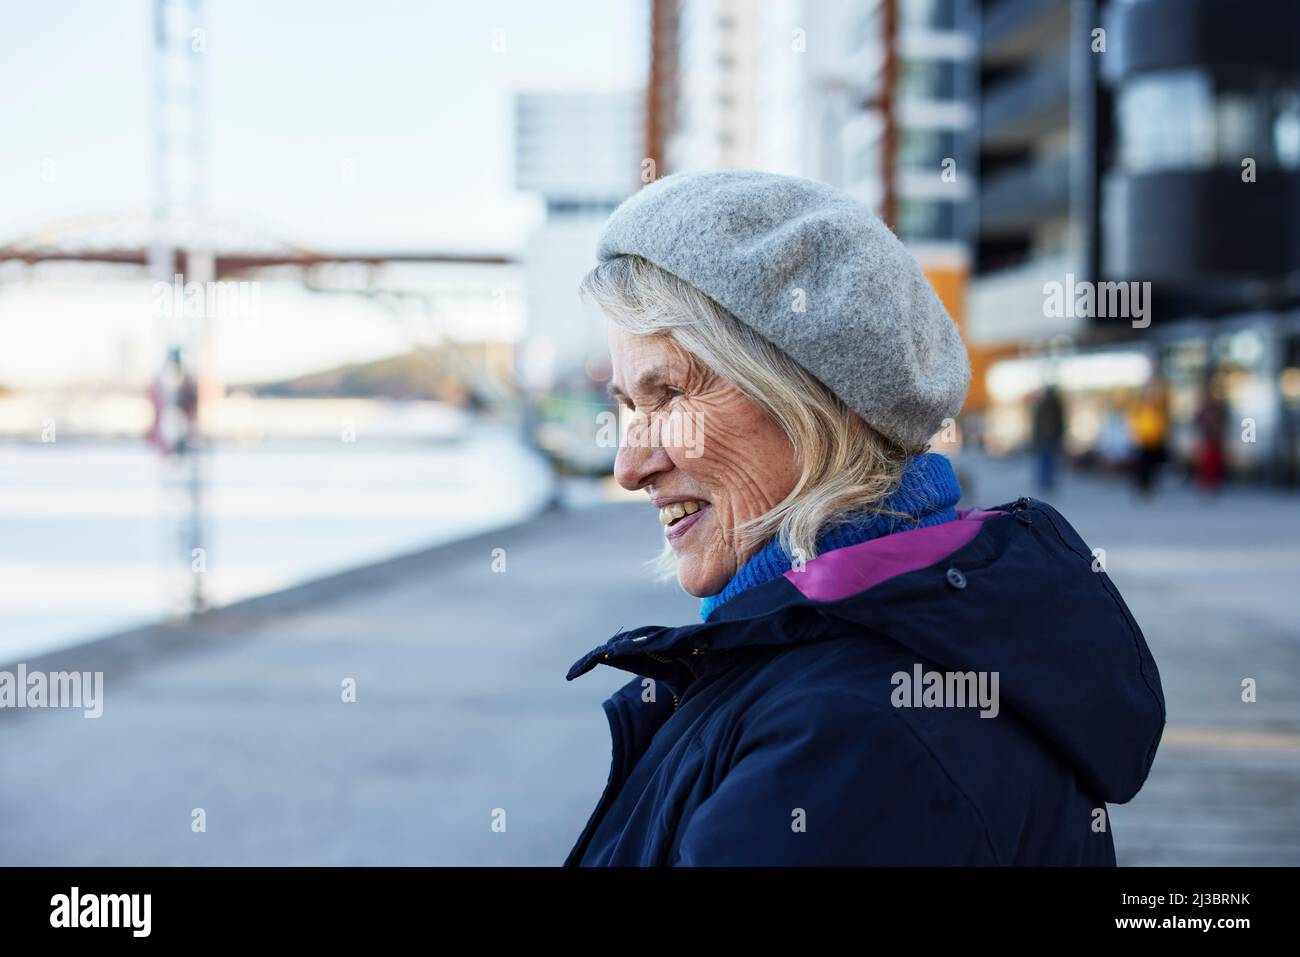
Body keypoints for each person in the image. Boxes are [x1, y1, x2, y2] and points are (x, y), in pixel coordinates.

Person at [563, 171, 1165, 866]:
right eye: (626, 407)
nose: (629, 466)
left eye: (667, 393)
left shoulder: (852, 739)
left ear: (818, 400)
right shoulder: (851, 660)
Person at [1128, 380, 1169, 496]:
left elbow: (1162, 423)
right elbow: (1134, 422)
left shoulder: (1158, 407)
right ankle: (1143, 487)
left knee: (1153, 466)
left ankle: (1150, 486)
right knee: (1143, 466)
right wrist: (1135, 435)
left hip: (1155, 440)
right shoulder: (1139, 408)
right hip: (1143, 440)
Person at [1030, 384, 1066, 491]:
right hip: (1050, 438)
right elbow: (1060, 423)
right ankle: (1047, 481)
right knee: (1049, 460)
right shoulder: (1056, 405)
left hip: (1044, 438)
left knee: (1045, 460)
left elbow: (1038, 424)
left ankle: (1045, 481)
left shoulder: (1042, 405)